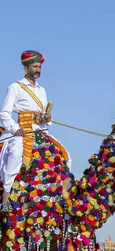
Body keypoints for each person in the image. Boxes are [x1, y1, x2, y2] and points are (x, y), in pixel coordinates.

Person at [0, 50, 69, 212]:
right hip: (21, 132)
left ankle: (63, 195)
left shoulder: (42, 90)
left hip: (41, 132)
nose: (38, 70)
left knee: (64, 155)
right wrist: (15, 128)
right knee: (16, 152)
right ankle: (6, 194)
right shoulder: (15, 87)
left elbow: (43, 115)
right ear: (26, 68)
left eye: (39, 67)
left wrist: (46, 118)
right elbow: (4, 113)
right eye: (34, 66)